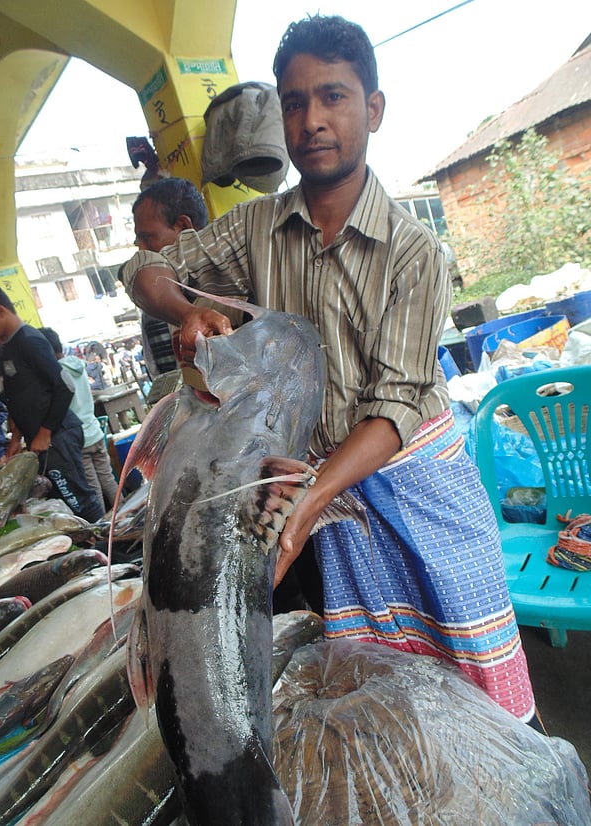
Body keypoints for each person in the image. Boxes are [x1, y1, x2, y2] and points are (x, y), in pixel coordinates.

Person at [120, 15, 539, 726]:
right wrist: (183, 309)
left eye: (333, 97)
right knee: (388, 701)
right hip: (321, 490)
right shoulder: (257, 227)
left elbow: (398, 405)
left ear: (372, 109)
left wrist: (310, 501)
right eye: (294, 102)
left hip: (417, 486)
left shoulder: (413, 250)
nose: (312, 119)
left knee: (487, 694)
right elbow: (146, 266)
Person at [0, 284, 104, 524]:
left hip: (58, 436)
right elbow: (20, 399)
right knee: (61, 501)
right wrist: (16, 442)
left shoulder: (30, 340)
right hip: (39, 441)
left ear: (0, 310)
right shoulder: (8, 347)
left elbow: (64, 387)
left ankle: (106, 547)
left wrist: (45, 432)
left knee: (78, 499)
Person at [131, 177, 209, 379]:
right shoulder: (156, 302)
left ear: (183, 226)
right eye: (138, 241)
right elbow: (170, 378)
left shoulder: (234, 283)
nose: (141, 250)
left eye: (147, 238)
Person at [39, 327, 119, 511]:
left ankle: (103, 525)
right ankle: (126, 515)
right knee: (107, 478)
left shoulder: (56, 373)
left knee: (92, 487)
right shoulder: (78, 365)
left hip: (79, 439)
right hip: (95, 432)